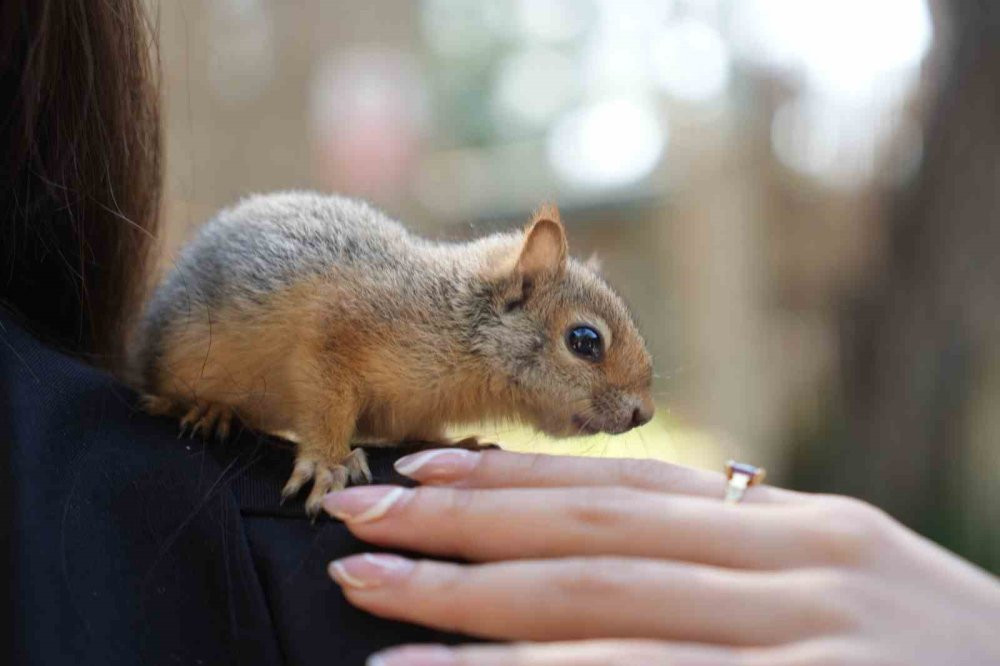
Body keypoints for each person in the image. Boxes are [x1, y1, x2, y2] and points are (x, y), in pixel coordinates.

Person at [3, 3, 998, 666]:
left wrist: (425, 454)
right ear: (518, 292)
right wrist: (327, 448)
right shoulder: (424, 324)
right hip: (206, 336)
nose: (629, 411)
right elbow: (331, 343)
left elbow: (402, 415)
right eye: (587, 351)